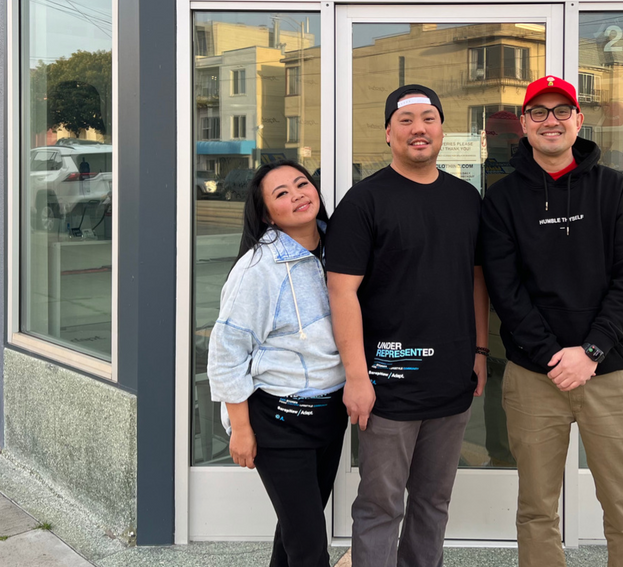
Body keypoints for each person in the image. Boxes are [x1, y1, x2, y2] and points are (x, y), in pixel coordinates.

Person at [480, 75, 623, 567]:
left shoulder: (614, 190)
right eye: (539, 112)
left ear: (578, 121)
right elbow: (505, 291)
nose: (550, 121)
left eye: (561, 111)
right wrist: (553, 357)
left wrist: (591, 351)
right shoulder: (503, 200)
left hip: (610, 374)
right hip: (535, 377)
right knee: (536, 511)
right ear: (525, 126)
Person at [325, 84, 489, 567]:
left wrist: (479, 352)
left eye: (429, 118)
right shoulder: (364, 202)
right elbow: (342, 292)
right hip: (388, 382)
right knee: (380, 505)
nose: (419, 128)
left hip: (452, 378)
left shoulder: (466, 198)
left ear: (441, 128)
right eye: (407, 120)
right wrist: (357, 377)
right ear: (388, 133)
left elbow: (477, 280)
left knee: (433, 501)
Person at [208, 160, 347, 567]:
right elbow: (227, 352)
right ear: (267, 213)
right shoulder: (259, 268)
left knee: (294, 533)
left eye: (302, 184)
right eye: (281, 193)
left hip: (328, 414)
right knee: (308, 546)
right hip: (279, 421)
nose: (298, 194)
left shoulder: (338, 248)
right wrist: (242, 429)